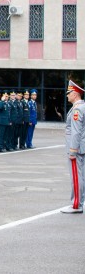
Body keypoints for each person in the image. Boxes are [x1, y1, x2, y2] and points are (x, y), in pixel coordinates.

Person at [61, 80, 85, 214]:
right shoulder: (82, 106)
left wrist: (73, 150)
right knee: (81, 176)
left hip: (76, 148)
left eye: (68, 93)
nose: (67, 95)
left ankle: (76, 205)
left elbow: (76, 131)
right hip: (82, 146)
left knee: (76, 176)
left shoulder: (77, 109)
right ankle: (79, 201)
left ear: (75, 94)